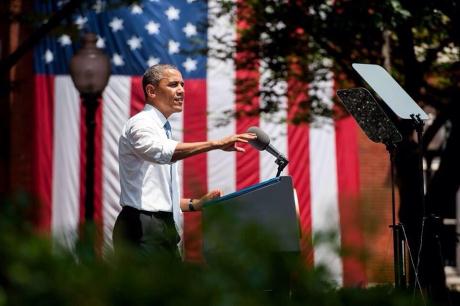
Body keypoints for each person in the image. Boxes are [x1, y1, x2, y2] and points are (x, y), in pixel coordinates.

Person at [112, 64, 256, 259]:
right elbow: (160, 153)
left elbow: (153, 194)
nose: (181, 90)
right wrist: (215, 143)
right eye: (173, 85)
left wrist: (195, 204)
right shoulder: (141, 123)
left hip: (160, 228)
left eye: (182, 84)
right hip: (142, 227)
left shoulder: (162, 128)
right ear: (151, 90)